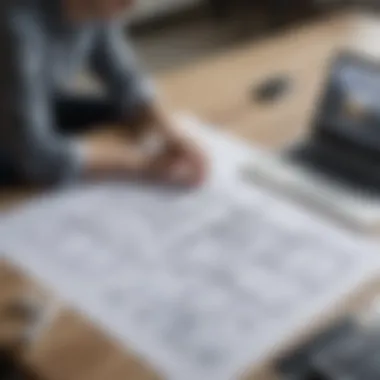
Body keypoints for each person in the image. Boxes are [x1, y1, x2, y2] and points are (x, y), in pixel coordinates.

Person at [0, 0, 207, 187]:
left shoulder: (95, 9)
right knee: (38, 166)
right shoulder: (16, 26)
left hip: (33, 101)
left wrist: (171, 133)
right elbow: (34, 152)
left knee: (122, 114)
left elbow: (126, 78)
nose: (133, 3)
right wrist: (141, 163)